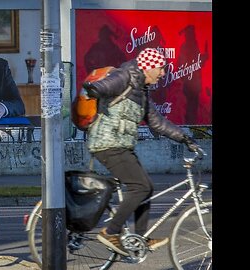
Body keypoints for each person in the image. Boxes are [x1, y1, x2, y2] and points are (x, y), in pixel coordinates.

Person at [81, 48, 200, 256]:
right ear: (149, 67)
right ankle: (110, 232)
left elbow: (157, 123)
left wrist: (184, 138)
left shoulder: (141, 92)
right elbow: (105, 86)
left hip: (121, 145)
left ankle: (139, 240)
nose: (163, 74)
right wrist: (94, 89)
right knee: (140, 187)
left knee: (147, 187)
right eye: (161, 69)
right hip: (107, 144)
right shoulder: (125, 75)